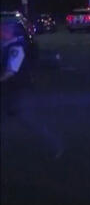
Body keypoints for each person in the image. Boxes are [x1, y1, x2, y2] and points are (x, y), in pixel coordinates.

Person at [2, 21, 63, 159]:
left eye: (4, 30)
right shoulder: (8, 46)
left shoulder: (16, 48)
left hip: (19, 90)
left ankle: (55, 145)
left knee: (28, 120)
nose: (2, 32)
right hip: (10, 90)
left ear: (10, 32)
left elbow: (11, 71)